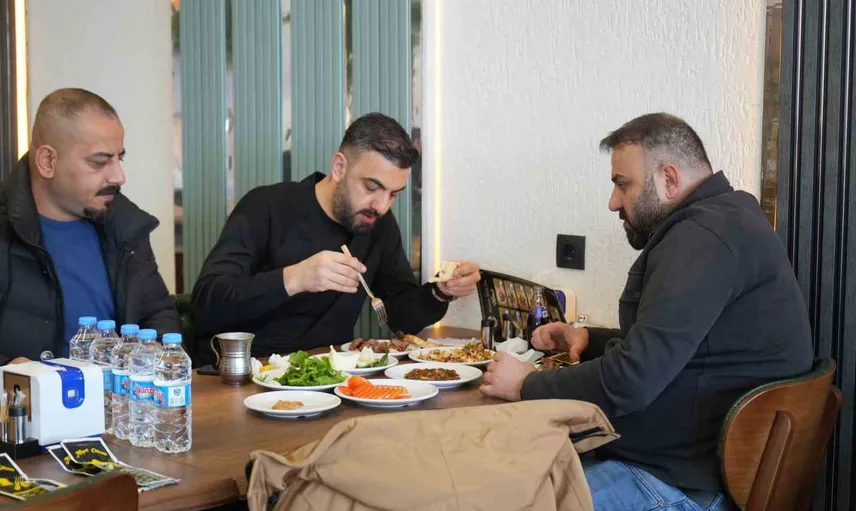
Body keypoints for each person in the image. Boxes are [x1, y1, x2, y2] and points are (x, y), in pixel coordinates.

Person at [480, 113, 813, 510]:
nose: (613, 201)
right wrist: (589, 340)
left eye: (623, 184)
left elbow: (633, 378)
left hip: (680, 484)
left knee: (494, 495)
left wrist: (526, 385)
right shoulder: (729, 219)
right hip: (688, 466)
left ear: (668, 178)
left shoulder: (701, 239)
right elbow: (684, 348)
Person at [192, 113, 480, 358]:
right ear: (339, 167)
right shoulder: (267, 206)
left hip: (331, 377)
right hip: (244, 375)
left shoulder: (378, 224)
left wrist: (441, 291)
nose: (381, 206)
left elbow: (401, 316)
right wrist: (295, 278)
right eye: (371, 187)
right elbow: (206, 306)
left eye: (393, 194)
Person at [0, 88, 181, 365]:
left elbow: (157, 312)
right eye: (100, 162)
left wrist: (153, 353)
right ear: (47, 161)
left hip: (117, 392)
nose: (119, 176)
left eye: (119, 158)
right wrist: (7, 371)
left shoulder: (125, 226)